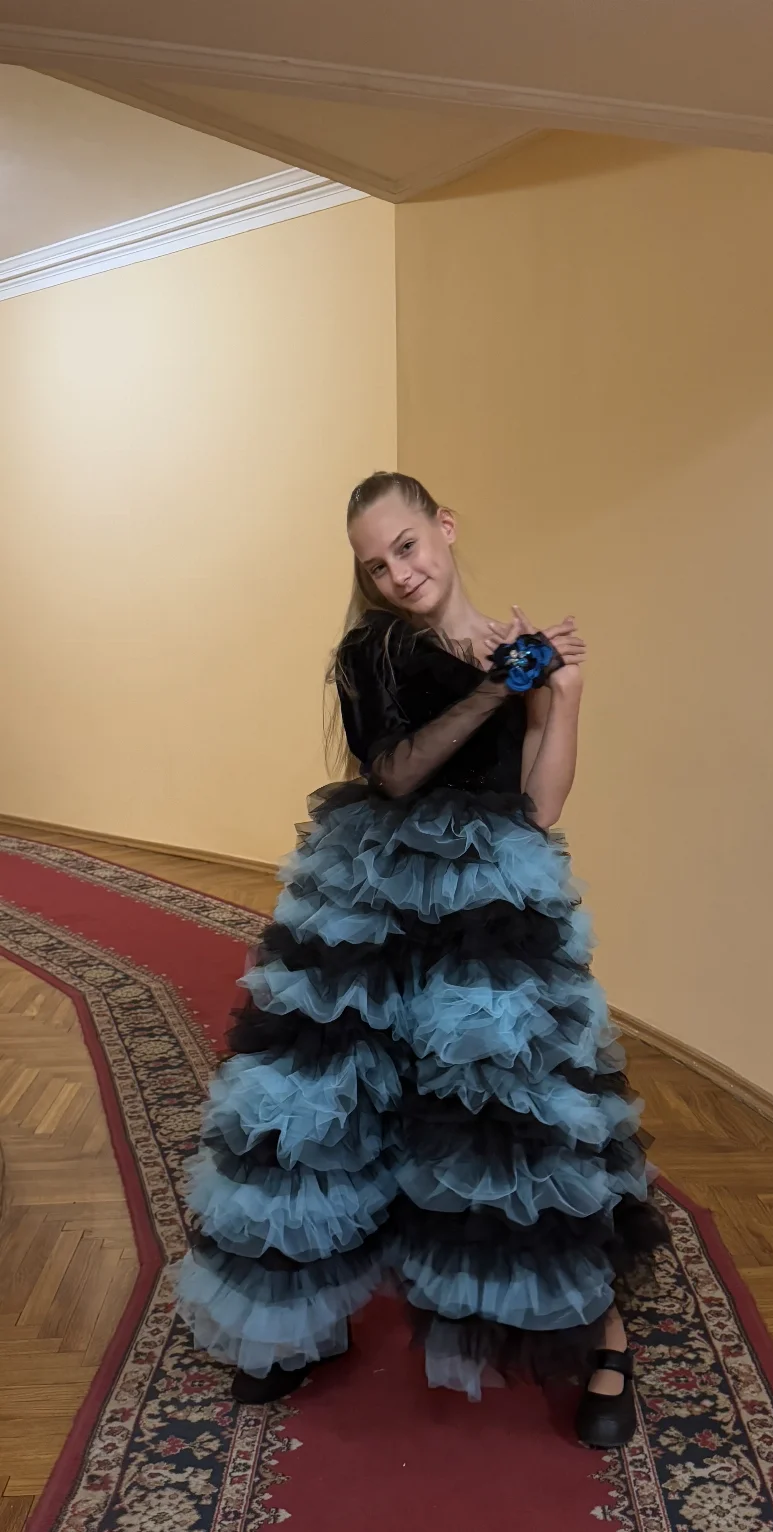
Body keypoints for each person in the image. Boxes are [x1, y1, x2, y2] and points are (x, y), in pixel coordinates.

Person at [175, 471, 666, 1448]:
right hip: (370, 895)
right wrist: (498, 687)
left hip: (488, 907)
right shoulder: (374, 652)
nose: (399, 573)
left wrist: (561, 693)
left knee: (510, 1113)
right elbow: (395, 772)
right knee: (323, 1106)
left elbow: (540, 805)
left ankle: (598, 1331)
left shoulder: (515, 654)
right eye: (376, 564)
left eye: (407, 545)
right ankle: (295, 1323)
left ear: (444, 526)